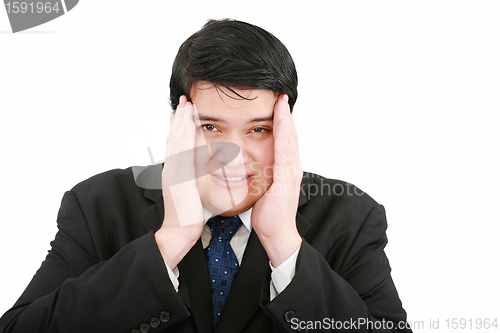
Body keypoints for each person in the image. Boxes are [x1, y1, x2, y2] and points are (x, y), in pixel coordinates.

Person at [0, 19, 412, 333]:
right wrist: (170, 240)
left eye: (259, 129)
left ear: (286, 129)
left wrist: (285, 246)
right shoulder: (99, 205)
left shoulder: (352, 218)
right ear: (177, 122)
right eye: (210, 127)